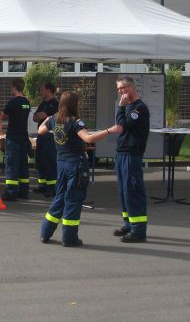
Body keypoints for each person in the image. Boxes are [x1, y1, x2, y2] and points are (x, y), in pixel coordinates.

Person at [39, 90, 117, 247]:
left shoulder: (54, 119)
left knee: (59, 198)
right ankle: (69, 238)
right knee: (73, 200)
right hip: (76, 164)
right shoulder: (76, 122)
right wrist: (109, 131)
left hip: (61, 164)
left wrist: (48, 119)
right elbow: (88, 138)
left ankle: (45, 233)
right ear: (75, 104)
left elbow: (41, 131)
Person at [113, 76, 150, 243]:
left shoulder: (139, 108)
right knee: (123, 192)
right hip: (122, 153)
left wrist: (120, 108)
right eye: (119, 89)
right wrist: (122, 108)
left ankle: (139, 230)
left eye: (123, 88)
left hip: (131, 154)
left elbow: (123, 125)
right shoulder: (129, 107)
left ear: (131, 88)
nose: (120, 92)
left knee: (132, 191)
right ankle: (128, 223)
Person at [0, 78, 32, 201]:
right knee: (23, 164)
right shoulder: (26, 102)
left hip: (13, 136)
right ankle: (24, 191)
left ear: (14, 87)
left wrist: (7, 115)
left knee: (12, 165)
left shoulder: (13, 102)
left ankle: (11, 192)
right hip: (24, 136)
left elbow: (2, 116)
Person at [32, 83, 59, 197]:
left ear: (48, 90)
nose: (40, 92)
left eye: (42, 90)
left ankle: (51, 187)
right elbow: (35, 117)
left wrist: (41, 115)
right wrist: (40, 115)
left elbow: (43, 115)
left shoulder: (55, 104)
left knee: (49, 162)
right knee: (40, 161)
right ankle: (42, 184)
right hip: (41, 136)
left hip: (50, 136)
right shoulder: (43, 103)